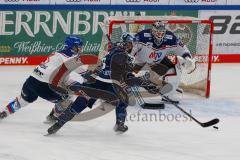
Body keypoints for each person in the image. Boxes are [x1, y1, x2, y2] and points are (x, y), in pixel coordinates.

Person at [46, 33, 155, 135]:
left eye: (134, 44)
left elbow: (125, 73)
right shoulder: (120, 53)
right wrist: (142, 82)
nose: (133, 46)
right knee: (122, 99)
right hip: (108, 84)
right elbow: (124, 74)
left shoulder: (120, 52)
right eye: (131, 43)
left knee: (82, 103)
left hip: (96, 81)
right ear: (125, 43)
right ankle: (120, 123)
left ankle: (59, 123)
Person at [0, 35, 88, 120]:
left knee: (23, 100)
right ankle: (53, 116)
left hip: (31, 80)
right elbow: (83, 72)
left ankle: (4, 112)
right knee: (67, 97)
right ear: (72, 47)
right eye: (78, 47)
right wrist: (95, 74)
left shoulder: (57, 53)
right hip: (44, 86)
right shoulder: (70, 57)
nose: (80, 49)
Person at [131, 21, 196, 103]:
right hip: (139, 61)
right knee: (125, 72)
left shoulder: (170, 37)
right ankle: (121, 91)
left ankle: (168, 93)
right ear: (152, 31)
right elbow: (131, 48)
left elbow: (182, 48)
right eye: (157, 32)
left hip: (156, 63)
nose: (160, 34)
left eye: (162, 32)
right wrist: (130, 57)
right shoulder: (142, 36)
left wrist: (187, 58)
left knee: (176, 67)